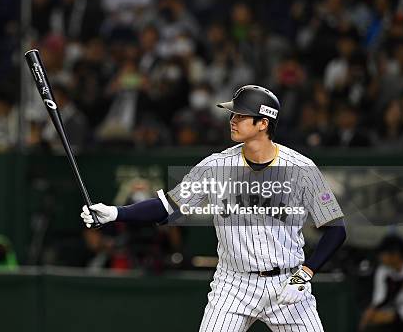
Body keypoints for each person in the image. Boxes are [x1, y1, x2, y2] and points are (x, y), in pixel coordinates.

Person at [81, 85, 347, 331]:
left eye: (241, 115)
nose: (232, 120)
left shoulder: (301, 168)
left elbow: (336, 229)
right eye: (233, 114)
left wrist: (305, 275)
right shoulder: (215, 166)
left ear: (263, 123)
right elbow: (167, 206)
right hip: (234, 284)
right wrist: (116, 213)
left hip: (287, 280)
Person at [359, 234, 403, 332]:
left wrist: (397, 315)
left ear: (395, 254)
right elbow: (379, 296)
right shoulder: (383, 270)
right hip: (396, 310)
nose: (380, 257)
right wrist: (372, 310)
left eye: (383, 253)